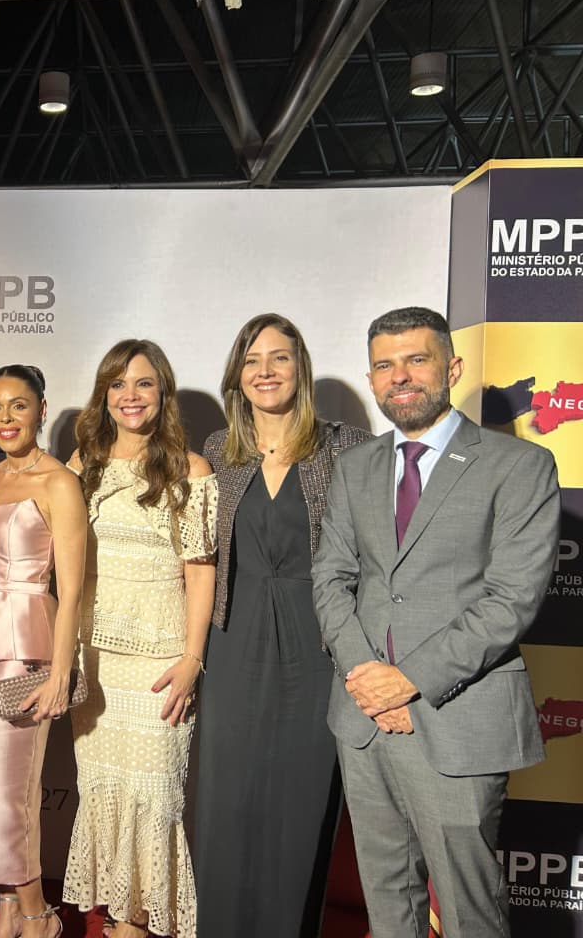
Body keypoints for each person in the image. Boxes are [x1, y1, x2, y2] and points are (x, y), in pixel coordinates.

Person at [312, 306, 558, 938]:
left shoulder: (519, 466)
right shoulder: (355, 467)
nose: (400, 376)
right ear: (371, 378)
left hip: (458, 719)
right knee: (386, 901)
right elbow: (331, 579)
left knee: (468, 910)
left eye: (416, 360)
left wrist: (409, 682)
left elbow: (511, 599)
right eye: (384, 365)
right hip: (364, 720)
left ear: (452, 368)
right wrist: (367, 678)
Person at [194, 314, 371, 938]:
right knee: (226, 800)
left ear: (302, 368)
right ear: (237, 375)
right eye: (252, 360)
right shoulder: (218, 450)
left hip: (318, 643)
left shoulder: (346, 446)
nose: (265, 371)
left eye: (279, 358)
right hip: (231, 640)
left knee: (302, 800)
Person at [63, 338, 216, 938]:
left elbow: (199, 572)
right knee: (101, 788)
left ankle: (141, 921)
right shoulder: (83, 464)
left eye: (144, 383)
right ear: (104, 395)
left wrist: (193, 658)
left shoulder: (190, 469)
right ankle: (118, 914)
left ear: (163, 393)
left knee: (155, 794)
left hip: (160, 659)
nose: (130, 395)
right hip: (95, 655)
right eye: (118, 384)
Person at [0, 364, 86, 938]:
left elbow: (72, 588)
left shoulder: (60, 483)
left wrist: (61, 671)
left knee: (10, 792)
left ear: (41, 410)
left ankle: (38, 914)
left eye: (18, 405)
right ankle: (10, 909)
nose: (5, 418)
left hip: (30, 646)